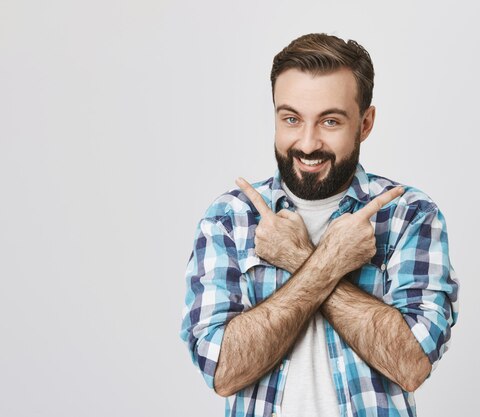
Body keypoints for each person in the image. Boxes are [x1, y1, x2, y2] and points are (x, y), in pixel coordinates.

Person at [180, 33, 460, 417]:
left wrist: (297, 257)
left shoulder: (409, 214)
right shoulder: (229, 218)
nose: (308, 143)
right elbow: (223, 371)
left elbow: (411, 363)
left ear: (365, 124)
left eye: (330, 121)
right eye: (291, 119)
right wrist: (328, 262)